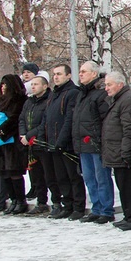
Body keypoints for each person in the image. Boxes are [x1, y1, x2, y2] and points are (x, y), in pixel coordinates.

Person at [101, 72, 131, 230]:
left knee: (130, 186)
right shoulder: (119, 99)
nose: (106, 88)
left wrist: (126, 152)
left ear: (120, 84)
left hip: (125, 153)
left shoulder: (128, 100)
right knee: (123, 185)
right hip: (117, 151)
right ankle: (129, 216)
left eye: (109, 84)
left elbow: (130, 129)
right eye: (106, 85)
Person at [42, 64, 86, 220]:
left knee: (73, 176)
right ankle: (67, 205)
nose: (56, 77)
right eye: (54, 74)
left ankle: (78, 207)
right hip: (53, 143)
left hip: (66, 144)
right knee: (61, 177)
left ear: (68, 76)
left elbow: (69, 119)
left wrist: (61, 140)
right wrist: (44, 136)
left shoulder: (72, 93)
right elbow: (47, 118)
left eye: (59, 74)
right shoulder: (55, 94)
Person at [72, 63, 115, 224]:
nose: (80, 74)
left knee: (101, 177)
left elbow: (105, 120)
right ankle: (96, 208)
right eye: (80, 71)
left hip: (96, 143)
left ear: (94, 74)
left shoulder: (100, 94)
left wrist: (100, 140)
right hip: (83, 144)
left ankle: (106, 209)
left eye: (84, 72)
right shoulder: (81, 94)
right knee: (89, 178)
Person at [0, 74, 29, 214]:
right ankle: (14, 199)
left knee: (14, 171)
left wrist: (0, 130)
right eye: (2, 85)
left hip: (12, 140)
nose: (3, 88)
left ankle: (20, 200)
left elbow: (14, 118)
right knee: (4, 172)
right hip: (0, 141)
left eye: (6, 85)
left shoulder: (19, 99)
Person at [18, 73, 52, 215]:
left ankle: (57, 202)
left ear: (45, 86)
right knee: (36, 176)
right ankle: (41, 202)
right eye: (32, 84)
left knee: (49, 175)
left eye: (36, 84)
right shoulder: (29, 101)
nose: (33, 87)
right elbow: (21, 119)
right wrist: (23, 134)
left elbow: (45, 122)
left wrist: (30, 135)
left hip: (42, 142)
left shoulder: (49, 100)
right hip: (30, 144)